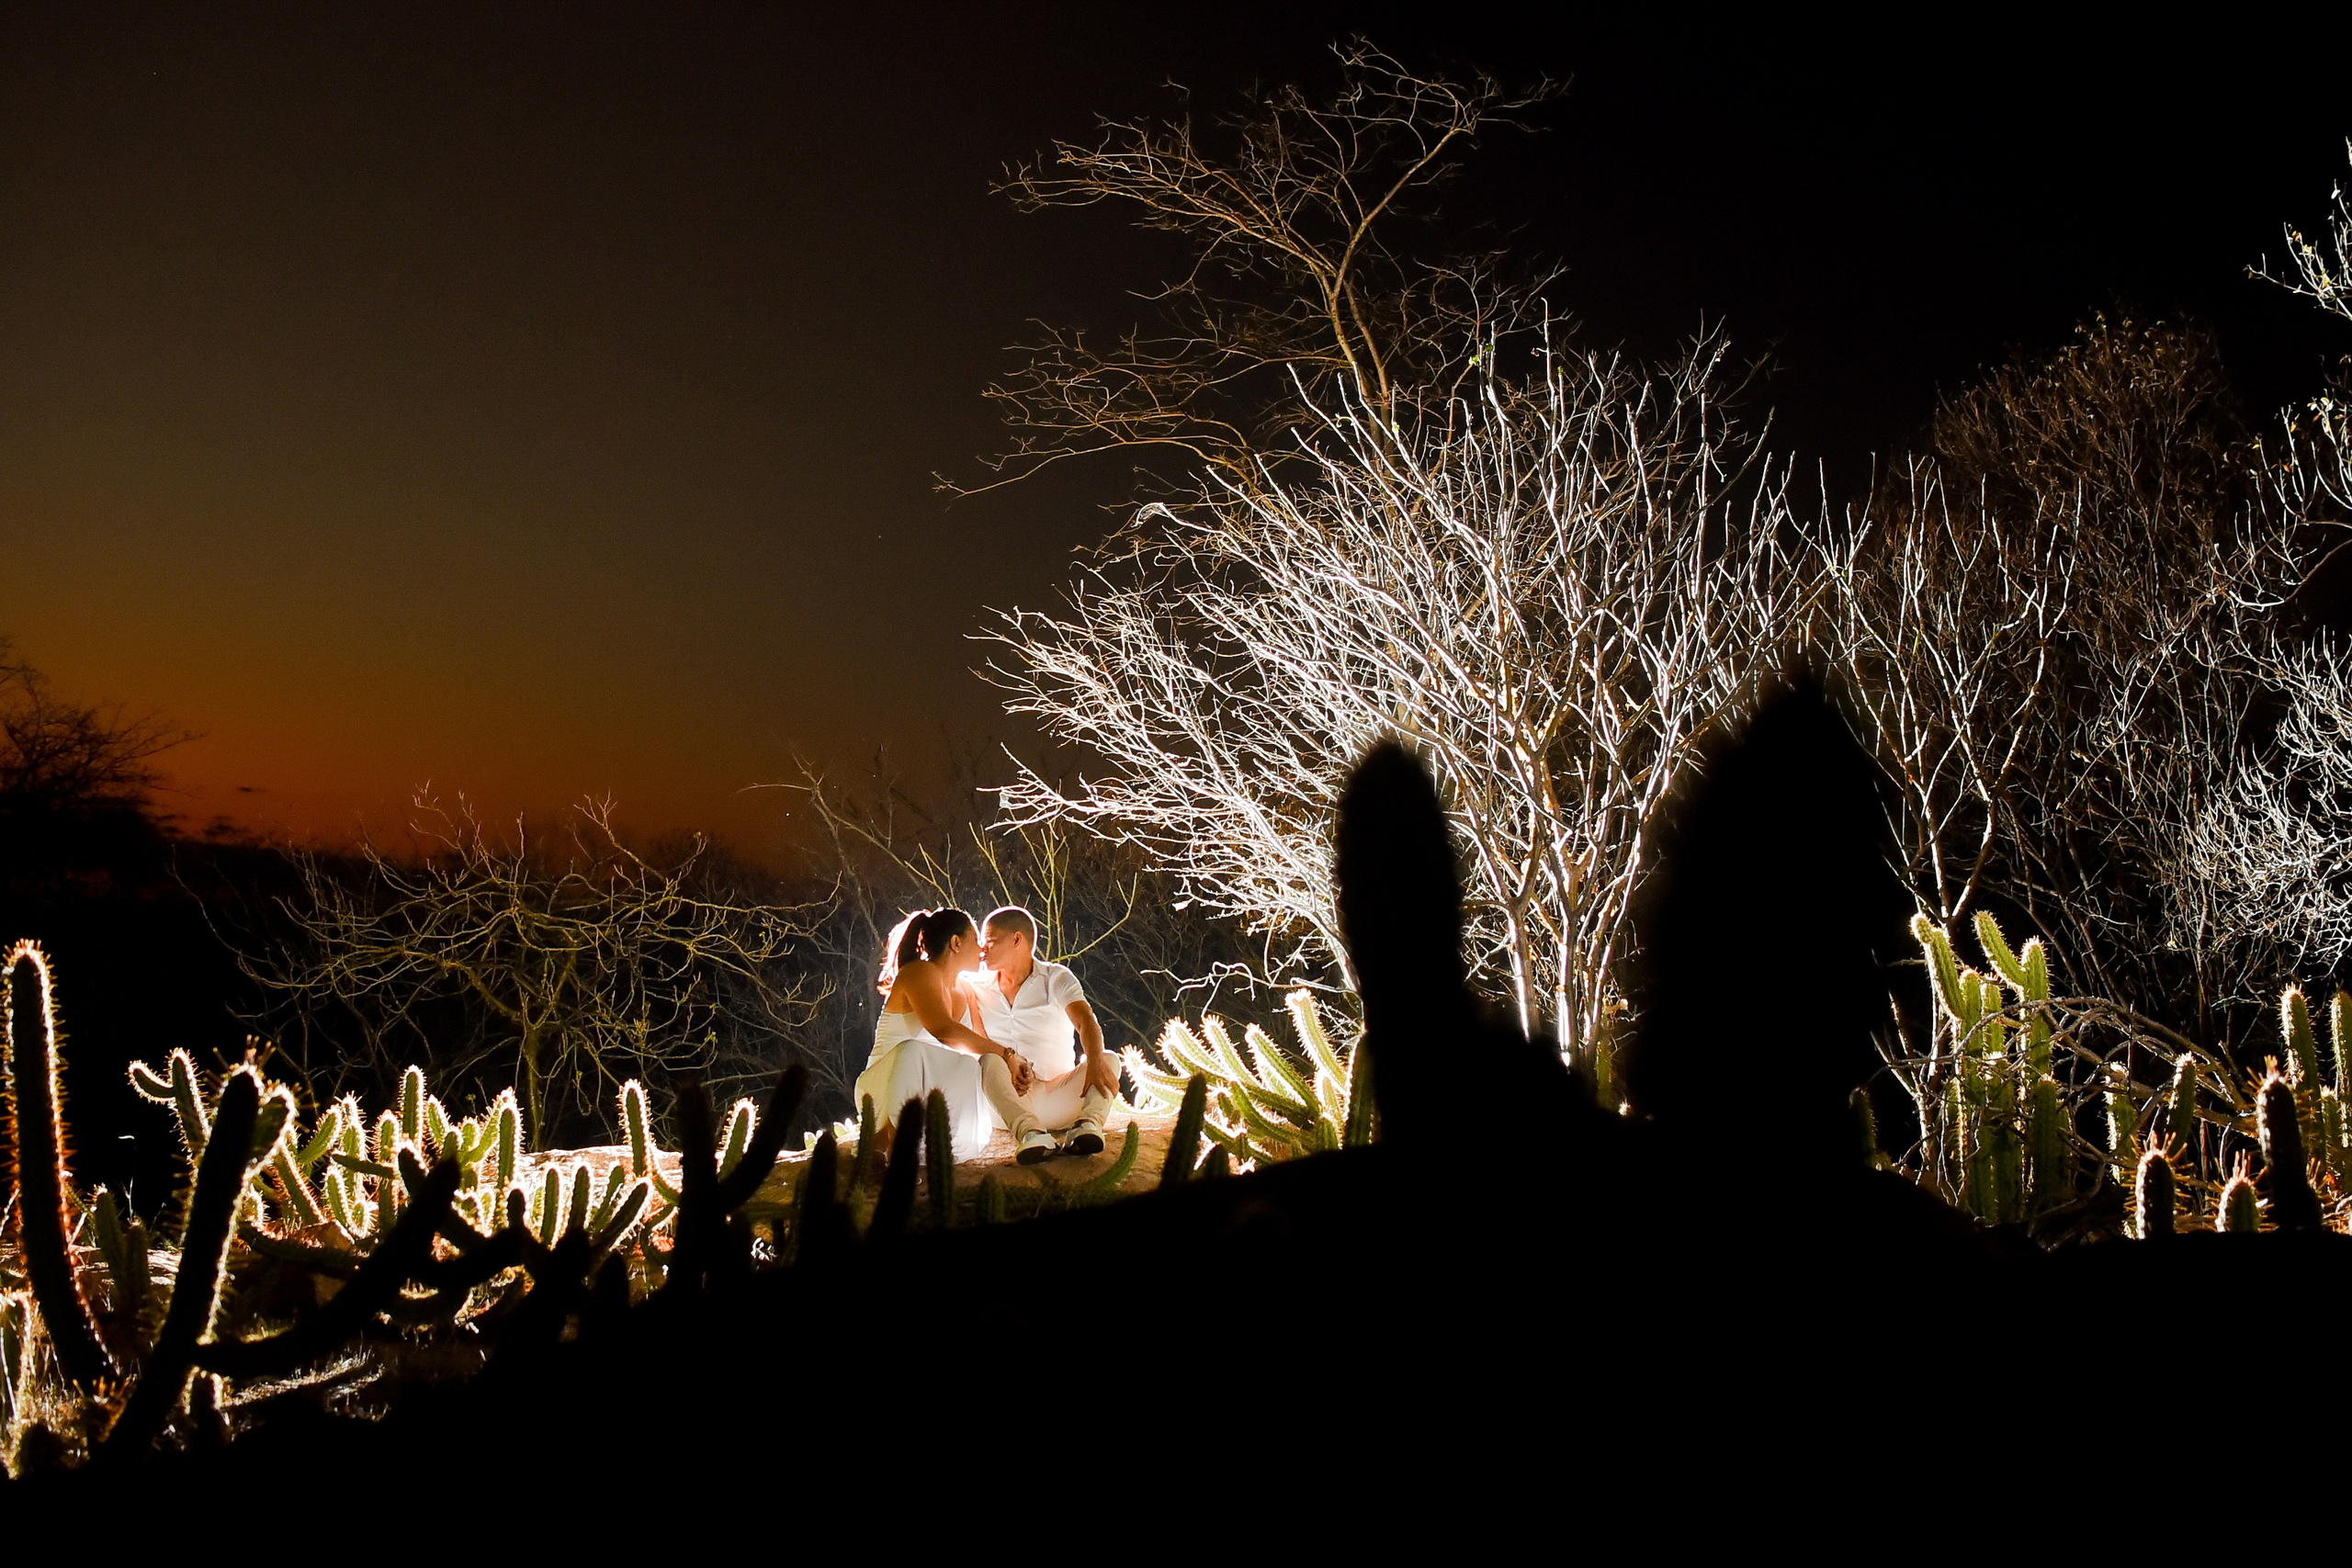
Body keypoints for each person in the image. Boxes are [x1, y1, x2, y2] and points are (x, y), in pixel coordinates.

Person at [854, 907, 1042, 1162]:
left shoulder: (965, 991)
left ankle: (939, 1143)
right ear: (956, 943)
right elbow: (943, 1030)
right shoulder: (919, 972)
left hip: (930, 1100)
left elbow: (979, 1043)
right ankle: (889, 1145)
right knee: (911, 1050)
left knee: (974, 1063)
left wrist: (1012, 1065)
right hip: (883, 1090)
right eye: (975, 940)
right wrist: (1008, 1054)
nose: (982, 949)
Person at [968, 905, 1118, 1158]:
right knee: (989, 1060)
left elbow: (1085, 1021)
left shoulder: (1055, 978)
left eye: (990, 941)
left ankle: (1087, 1127)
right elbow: (974, 1038)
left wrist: (1094, 1061)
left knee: (1108, 1059)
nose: (983, 950)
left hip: (1056, 1097)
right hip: (1007, 1104)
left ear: (1017, 939)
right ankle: (1031, 1134)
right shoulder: (974, 986)